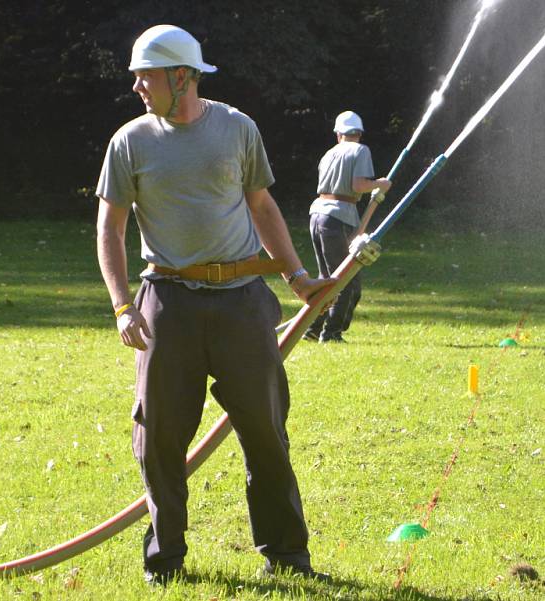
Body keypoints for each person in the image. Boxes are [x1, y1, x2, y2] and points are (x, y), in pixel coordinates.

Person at [95, 24, 331, 586]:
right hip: (166, 303)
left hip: (242, 302)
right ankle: (166, 558)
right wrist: (123, 306)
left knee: (267, 430)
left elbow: (262, 204)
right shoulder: (130, 141)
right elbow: (110, 226)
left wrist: (297, 275)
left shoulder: (237, 129)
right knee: (158, 436)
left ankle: (287, 555)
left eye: (145, 76)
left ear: (182, 77)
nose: (136, 86)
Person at [304, 111, 391, 343]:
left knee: (326, 277)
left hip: (317, 214)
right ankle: (331, 333)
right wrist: (379, 184)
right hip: (336, 217)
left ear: (338, 134)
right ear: (359, 133)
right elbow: (358, 184)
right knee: (344, 279)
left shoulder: (329, 153)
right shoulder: (360, 150)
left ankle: (312, 329)